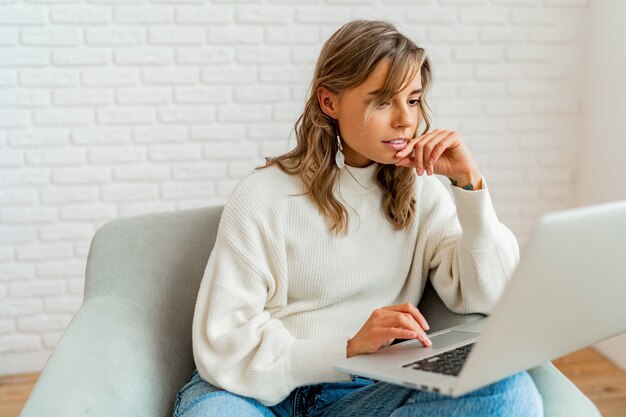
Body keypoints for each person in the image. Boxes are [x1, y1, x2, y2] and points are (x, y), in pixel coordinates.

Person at [171, 19, 543, 417]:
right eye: (383, 101)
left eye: (413, 100)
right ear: (329, 102)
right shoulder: (265, 196)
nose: (405, 120)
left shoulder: (423, 192)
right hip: (254, 395)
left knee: (511, 393)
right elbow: (224, 342)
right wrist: (345, 346)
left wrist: (469, 185)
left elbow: (491, 294)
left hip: (363, 396)